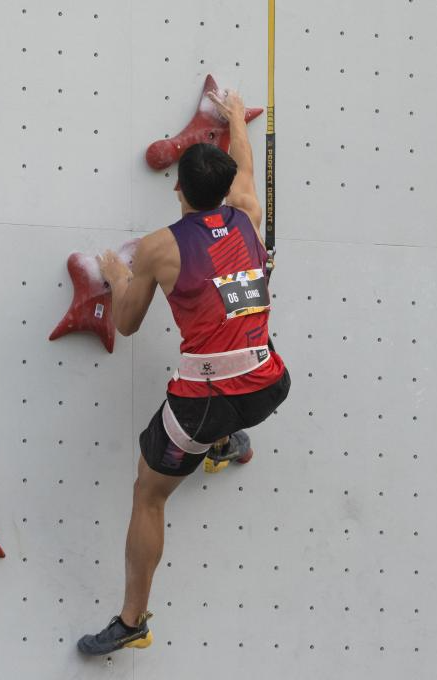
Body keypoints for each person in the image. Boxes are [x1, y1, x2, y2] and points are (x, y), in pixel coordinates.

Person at [77, 90, 291, 655]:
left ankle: (132, 621)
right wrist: (234, 114)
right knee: (228, 391)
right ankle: (226, 444)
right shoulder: (247, 210)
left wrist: (116, 272)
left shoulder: (159, 248)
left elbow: (126, 324)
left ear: (177, 189)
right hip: (270, 382)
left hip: (206, 400)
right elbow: (245, 162)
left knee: (149, 494)